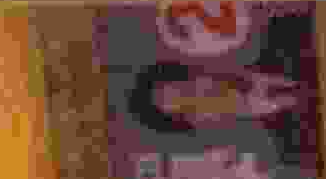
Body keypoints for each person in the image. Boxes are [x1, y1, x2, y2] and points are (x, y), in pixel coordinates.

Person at [124, 59, 314, 155]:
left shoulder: (195, 78)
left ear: (168, 80)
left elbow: (221, 73)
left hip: (245, 82)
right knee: (282, 100)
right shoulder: (194, 116)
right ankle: (299, 96)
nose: (170, 96)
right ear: (168, 114)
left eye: (165, 90)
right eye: (164, 101)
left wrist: (240, 79)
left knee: (284, 85)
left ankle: (301, 87)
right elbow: (222, 119)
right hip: (246, 104)